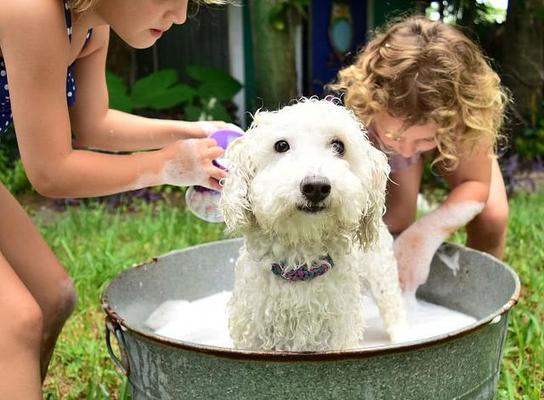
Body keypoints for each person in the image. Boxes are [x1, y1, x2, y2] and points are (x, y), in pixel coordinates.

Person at [0, 0, 229, 397]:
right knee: (13, 322)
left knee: (52, 296)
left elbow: (93, 124)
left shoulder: (90, 21)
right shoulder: (30, 9)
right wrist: (166, 166)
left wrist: (190, 134)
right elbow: (50, 172)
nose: (178, 15)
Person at [332, 16, 509, 294]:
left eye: (422, 140)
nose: (404, 149)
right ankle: (371, 289)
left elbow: (475, 185)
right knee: (396, 221)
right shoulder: (369, 105)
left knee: (493, 217)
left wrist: (427, 233)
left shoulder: (466, 112)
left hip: (451, 127)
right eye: (397, 138)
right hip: (383, 130)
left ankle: (478, 293)